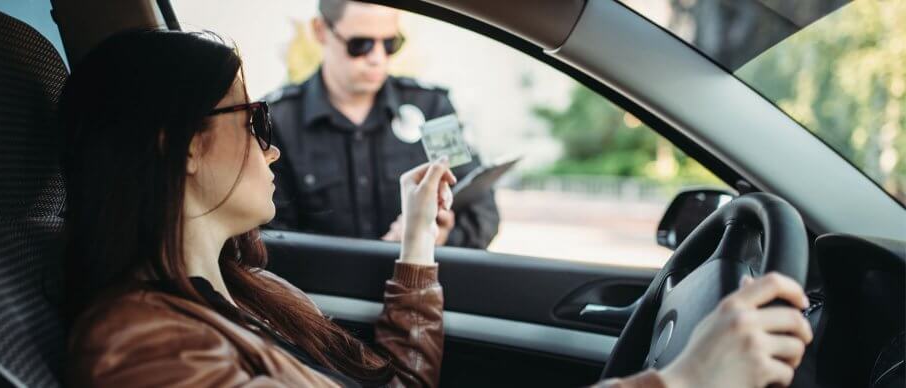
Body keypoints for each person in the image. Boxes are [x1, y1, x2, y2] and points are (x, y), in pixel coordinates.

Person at [62, 29, 813, 388]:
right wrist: (675, 385)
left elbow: (397, 384)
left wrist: (418, 239)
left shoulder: (250, 292)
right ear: (182, 146)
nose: (273, 148)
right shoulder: (141, 347)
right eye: (251, 123)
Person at [265, 0, 499, 249]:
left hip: (421, 282)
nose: (377, 58)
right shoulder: (278, 121)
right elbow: (270, 238)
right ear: (320, 30)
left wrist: (438, 239)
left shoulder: (432, 110)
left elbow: (482, 213)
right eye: (360, 45)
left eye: (390, 44)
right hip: (318, 288)